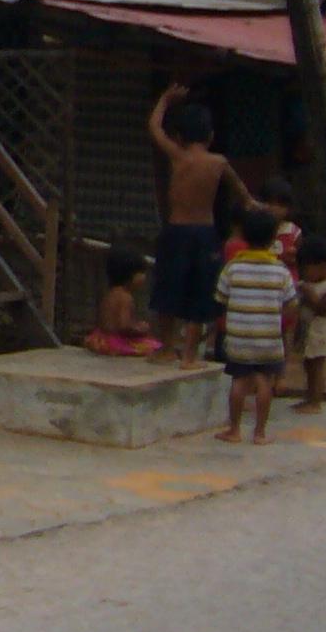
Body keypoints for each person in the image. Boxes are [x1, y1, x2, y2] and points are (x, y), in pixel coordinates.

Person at [148, 83, 242, 369]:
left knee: (168, 289)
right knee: (200, 293)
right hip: (204, 232)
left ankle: (167, 348)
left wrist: (164, 99)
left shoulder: (177, 156)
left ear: (178, 137)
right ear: (211, 135)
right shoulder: (219, 162)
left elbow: (154, 128)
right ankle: (189, 356)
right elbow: (241, 191)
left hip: (176, 231)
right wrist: (253, 204)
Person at [215, 204, 297, 443]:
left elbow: (221, 298)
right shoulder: (280, 270)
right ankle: (260, 433)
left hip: (239, 336)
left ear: (243, 234)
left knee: (239, 381)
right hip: (269, 337)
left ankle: (234, 430)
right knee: (264, 382)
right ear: (272, 238)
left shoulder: (233, 267)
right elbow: (291, 303)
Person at [292, 231, 326, 410]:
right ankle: (310, 397)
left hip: (320, 334)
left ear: (322, 266)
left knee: (316, 368)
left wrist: (310, 294)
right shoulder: (313, 284)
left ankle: (315, 402)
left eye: (306, 269)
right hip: (309, 333)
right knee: (308, 366)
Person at [84, 249, 163, 356]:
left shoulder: (110, 293)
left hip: (100, 338)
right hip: (115, 341)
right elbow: (123, 326)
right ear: (129, 275)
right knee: (155, 345)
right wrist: (140, 328)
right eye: (141, 273)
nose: (144, 277)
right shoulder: (126, 297)